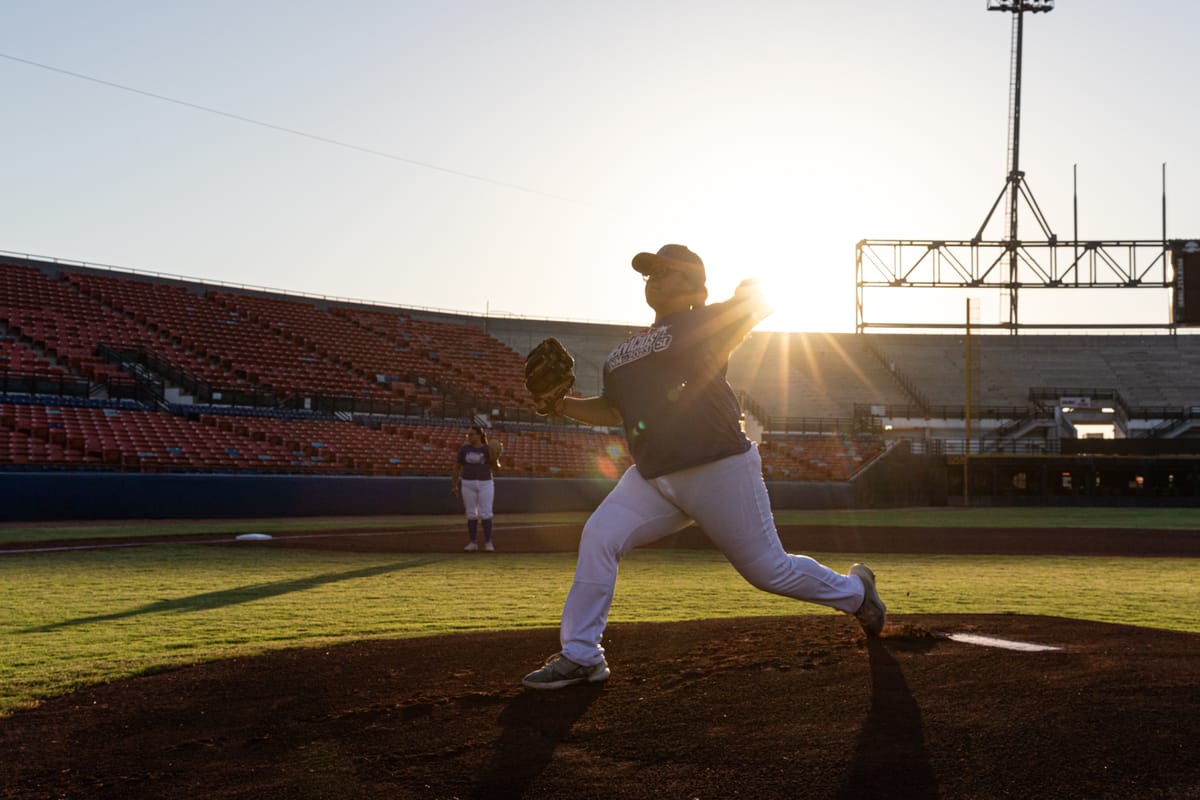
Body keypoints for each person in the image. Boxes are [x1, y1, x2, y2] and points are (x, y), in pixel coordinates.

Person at [521, 244, 886, 690]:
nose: (652, 276)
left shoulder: (703, 323)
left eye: (663, 270)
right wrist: (562, 406)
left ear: (693, 284)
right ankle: (582, 655)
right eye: (648, 272)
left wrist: (753, 298)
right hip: (653, 477)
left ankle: (856, 594)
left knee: (768, 570)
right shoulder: (622, 354)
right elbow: (616, 410)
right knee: (599, 536)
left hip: (718, 468)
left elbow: (752, 310)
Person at [451, 424, 503, 552]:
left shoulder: (487, 449)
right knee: (470, 514)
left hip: (485, 483)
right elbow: (457, 467)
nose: (469, 436)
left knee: (486, 513)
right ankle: (473, 542)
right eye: (468, 434)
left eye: (472, 434)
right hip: (467, 483)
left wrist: (495, 459)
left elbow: (496, 469)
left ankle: (488, 542)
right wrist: (454, 485)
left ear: (479, 435)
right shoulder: (464, 449)